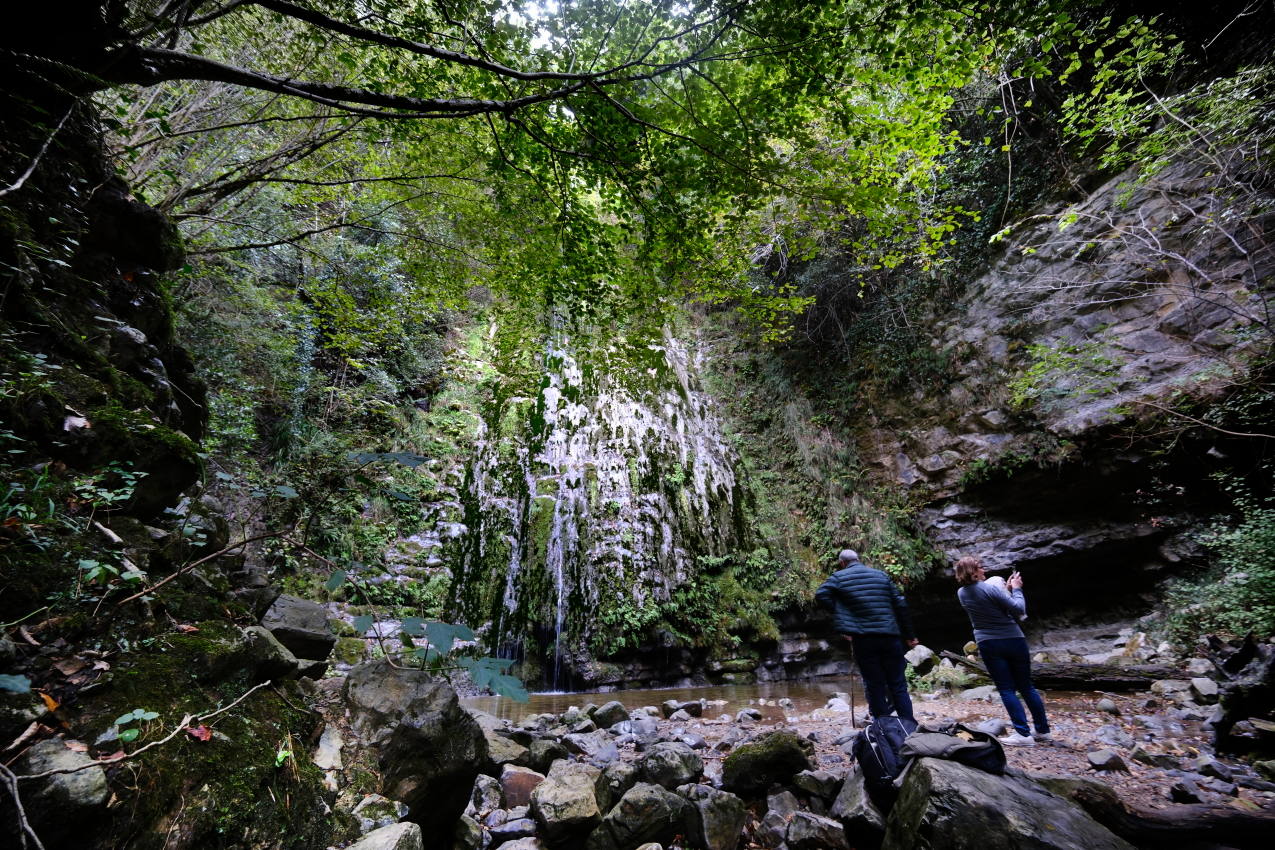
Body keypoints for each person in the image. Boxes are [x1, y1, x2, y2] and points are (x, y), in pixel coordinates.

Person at [954, 556, 1051, 746]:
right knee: (1027, 687)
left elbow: (989, 604)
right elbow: (1019, 609)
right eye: (981, 568)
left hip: (989, 643)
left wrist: (1004, 590)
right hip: (1014, 640)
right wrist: (1016, 589)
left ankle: (1023, 734)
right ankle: (1042, 731)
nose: (984, 570)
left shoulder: (961, 593)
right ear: (973, 572)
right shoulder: (990, 588)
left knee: (1006, 689)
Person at [816, 548, 918, 723]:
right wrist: (910, 635)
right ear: (858, 559)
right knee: (898, 684)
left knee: (874, 683)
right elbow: (900, 605)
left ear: (842, 563)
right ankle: (908, 724)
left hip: (863, 639)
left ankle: (883, 726)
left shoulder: (839, 577)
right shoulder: (881, 575)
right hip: (890, 636)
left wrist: (844, 614)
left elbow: (821, 594)